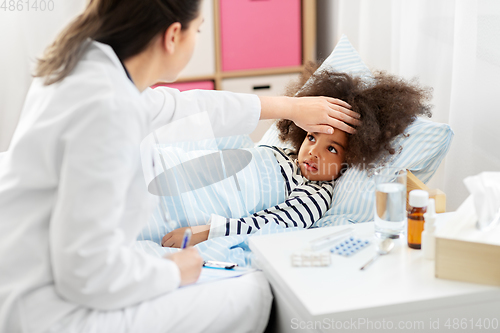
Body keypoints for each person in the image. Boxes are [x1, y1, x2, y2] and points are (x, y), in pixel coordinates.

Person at [0, 1, 361, 332]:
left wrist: (292, 107)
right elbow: (85, 273)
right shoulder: (109, 111)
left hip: (25, 256)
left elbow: (185, 107)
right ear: (174, 36)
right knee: (254, 295)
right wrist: (172, 271)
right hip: (46, 307)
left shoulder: (86, 66)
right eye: (199, 29)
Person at [162, 63, 432, 248]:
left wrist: (204, 233)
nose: (314, 151)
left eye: (332, 148)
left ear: (351, 159)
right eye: (312, 137)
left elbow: (274, 223)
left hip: (195, 199)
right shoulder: (283, 152)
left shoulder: (316, 193)